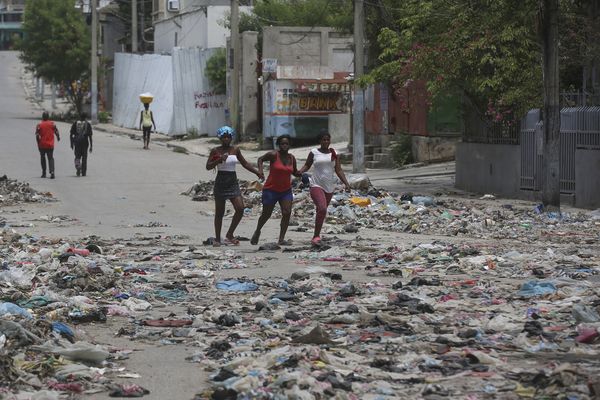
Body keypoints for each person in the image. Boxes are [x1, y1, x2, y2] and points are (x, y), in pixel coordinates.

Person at [206, 126, 263, 246]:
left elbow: (245, 163)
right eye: (224, 137)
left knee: (240, 208)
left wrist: (257, 172)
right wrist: (219, 160)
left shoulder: (235, 150)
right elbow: (208, 166)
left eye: (228, 137)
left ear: (231, 138)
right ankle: (217, 238)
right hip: (221, 181)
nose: (226, 139)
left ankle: (230, 234)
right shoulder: (215, 150)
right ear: (220, 138)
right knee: (219, 213)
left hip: (232, 181)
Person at [298, 131, 351, 246]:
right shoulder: (314, 152)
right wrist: (300, 172)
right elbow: (307, 165)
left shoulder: (334, 153)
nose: (326, 142)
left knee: (320, 212)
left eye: (328, 139)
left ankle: (317, 233)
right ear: (319, 141)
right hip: (316, 185)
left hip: (329, 187)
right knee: (322, 209)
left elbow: (338, 169)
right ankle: (316, 236)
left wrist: (346, 183)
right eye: (323, 139)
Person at [251, 135, 300, 246]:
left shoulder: (291, 158)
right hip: (271, 190)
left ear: (289, 145)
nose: (284, 146)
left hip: (286, 190)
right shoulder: (273, 155)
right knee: (266, 214)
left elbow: (294, 172)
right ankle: (258, 230)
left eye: (286, 144)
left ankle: (281, 239)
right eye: (282, 143)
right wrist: (260, 172)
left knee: (287, 213)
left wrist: (302, 173)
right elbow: (260, 159)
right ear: (279, 145)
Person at [35, 111, 60, 179]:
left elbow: (37, 135)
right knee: (50, 158)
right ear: (48, 117)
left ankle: (44, 173)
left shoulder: (39, 125)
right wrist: (58, 137)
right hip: (50, 145)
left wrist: (38, 144)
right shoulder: (52, 124)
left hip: (42, 145)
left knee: (43, 158)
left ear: (42, 117)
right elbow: (56, 131)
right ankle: (52, 172)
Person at [70, 113, 93, 177]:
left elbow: (71, 134)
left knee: (77, 157)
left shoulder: (75, 123)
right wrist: (91, 146)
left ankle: (78, 167)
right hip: (85, 143)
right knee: (84, 158)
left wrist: (71, 143)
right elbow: (90, 136)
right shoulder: (87, 124)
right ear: (85, 118)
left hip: (77, 142)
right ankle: (83, 173)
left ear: (80, 117)